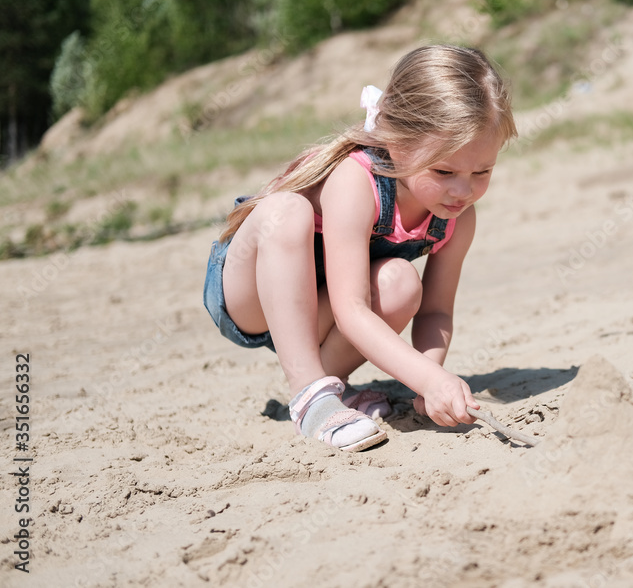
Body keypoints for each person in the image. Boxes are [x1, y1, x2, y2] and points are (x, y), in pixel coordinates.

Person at [202, 44, 517, 452]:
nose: (464, 190)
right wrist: (429, 379)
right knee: (287, 211)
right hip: (251, 297)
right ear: (398, 144)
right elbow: (351, 308)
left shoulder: (456, 218)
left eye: (482, 171)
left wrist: (426, 379)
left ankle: (327, 390)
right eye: (444, 171)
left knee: (401, 282)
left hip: (316, 311)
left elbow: (436, 311)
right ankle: (312, 396)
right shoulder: (357, 181)